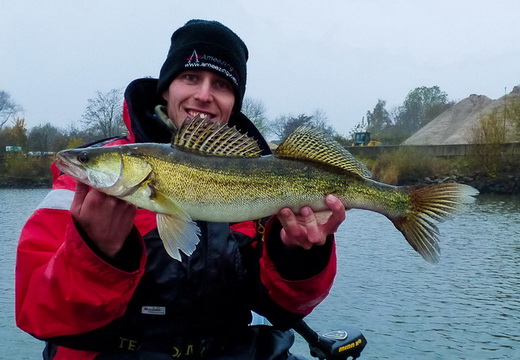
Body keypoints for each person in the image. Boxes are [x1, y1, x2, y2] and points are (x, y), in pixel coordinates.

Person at [16, 19, 346, 360]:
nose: (203, 95)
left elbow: (283, 310)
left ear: (234, 102)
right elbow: (38, 312)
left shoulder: (264, 174)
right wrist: (96, 252)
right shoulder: (78, 190)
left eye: (221, 84)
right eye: (190, 77)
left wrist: (297, 254)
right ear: (166, 88)